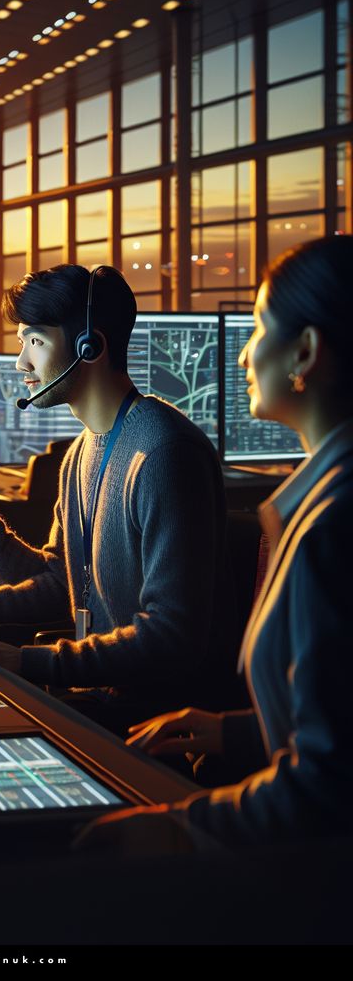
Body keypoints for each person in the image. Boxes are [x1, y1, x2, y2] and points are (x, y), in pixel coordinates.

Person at [77, 234, 353, 850]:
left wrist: (175, 828)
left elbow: (325, 792)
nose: (244, 354)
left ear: (306, 352)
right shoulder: (323, 506)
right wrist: (233, 731)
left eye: (258, 329)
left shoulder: (332, 528)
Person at [0, 263, 236, 734]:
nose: (21, 362)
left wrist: (31, 661)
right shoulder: (81, 452)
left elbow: (171, 636)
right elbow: (63, 585)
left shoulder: (164, 453)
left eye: (35, 341)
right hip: (98, 698)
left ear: (89, 347)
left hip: (150, 722)